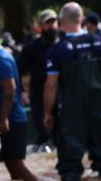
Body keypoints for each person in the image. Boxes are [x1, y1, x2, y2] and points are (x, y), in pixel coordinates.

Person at [44, 2, 101, 181]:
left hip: (71, 113)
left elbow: (51, 86)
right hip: (98, 108)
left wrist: (47, 112)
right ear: (82, 19)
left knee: (70, 169)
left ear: (61, 22)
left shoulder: (58, 50)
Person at [0, 22, 40, 181]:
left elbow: (10, 88)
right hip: (10, 119)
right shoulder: (2, 56)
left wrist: (4, 118)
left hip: (11, 120)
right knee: (12, 164)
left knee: (17, 164)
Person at [19, 8, 59, 151]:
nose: (51, 26)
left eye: (53, 22)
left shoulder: (63, 45)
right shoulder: (31, 48)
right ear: (41, 26)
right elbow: (18, 70)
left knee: (61, 134)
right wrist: (22, 92)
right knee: (43, 133)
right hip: (38, 96)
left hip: (60, 95)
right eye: (47, 23)